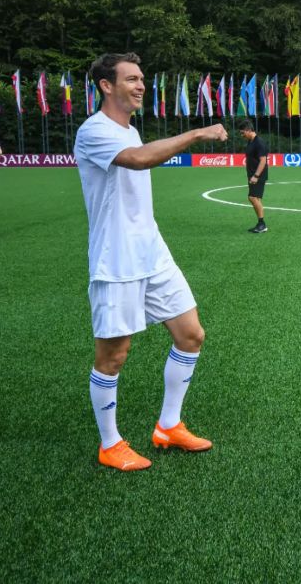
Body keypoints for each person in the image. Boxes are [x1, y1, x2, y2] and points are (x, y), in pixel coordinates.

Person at [74, 52, 228, 471]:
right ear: (106, 85)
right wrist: (196, 134)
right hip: (116, 257)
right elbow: (139, 160)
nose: (141, 85)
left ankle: (169, 425)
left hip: (152, 251)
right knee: (114, 354)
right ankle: (110, 443)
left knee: (190, 334)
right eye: (131, 79)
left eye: (142, 79)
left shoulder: (131, 129)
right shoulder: (94, 131)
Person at [239, 119, 269, 233]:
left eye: (242, 132)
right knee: (256, 198)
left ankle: (262, 224)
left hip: (258, 175)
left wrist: (256, 176)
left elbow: (263, 161)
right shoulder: (251, 141)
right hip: (253, 174)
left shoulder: (259, 142)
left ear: (248, 130)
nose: (242, 135)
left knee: (252, 197)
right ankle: (260, 224)